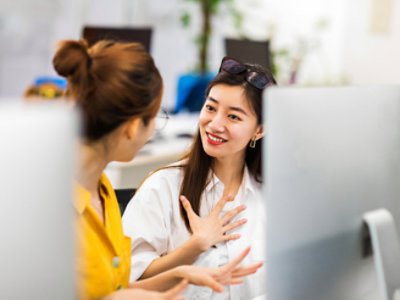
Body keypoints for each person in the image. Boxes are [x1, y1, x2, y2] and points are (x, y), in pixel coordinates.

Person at [52, 40, 262, 300]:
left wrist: (181, 275)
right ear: (131, 127)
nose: (154, 129)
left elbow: (112, 291)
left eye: (234, 116)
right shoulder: (54, 205)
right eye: (155, 117)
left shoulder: (102, 193)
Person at [122, 57, 276, 299]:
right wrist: (195, 246)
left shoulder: (271, 195)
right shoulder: (162, 188)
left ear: (259, 130)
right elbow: (127, 284)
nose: (214, 124)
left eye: (233, 117)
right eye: (211, 108)